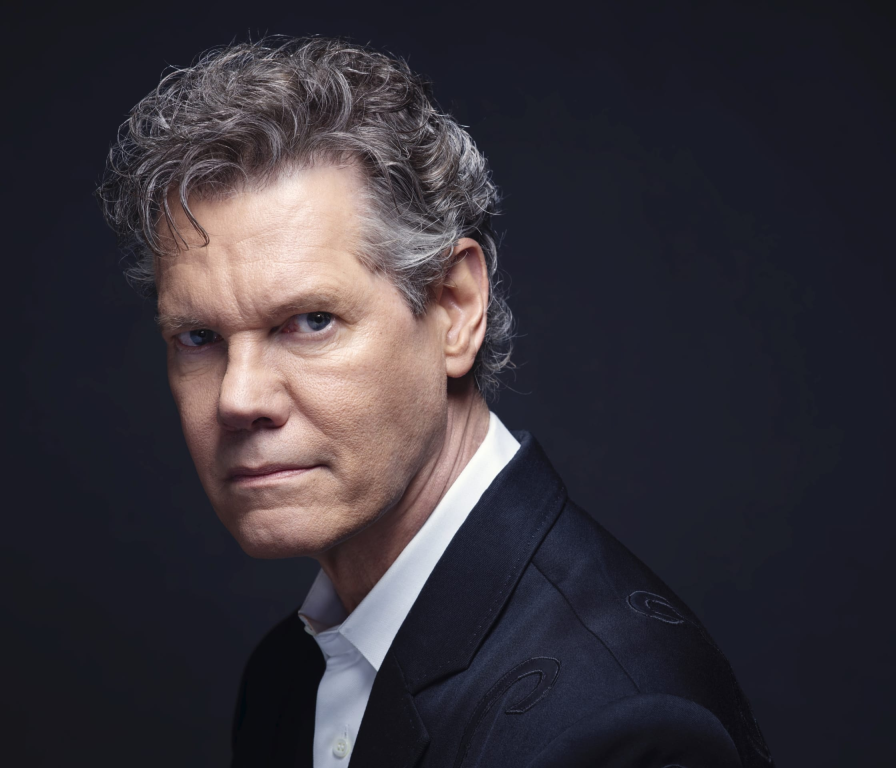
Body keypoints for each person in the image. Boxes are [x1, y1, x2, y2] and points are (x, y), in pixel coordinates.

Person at [96, 36, 772, 768]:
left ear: (455, 308)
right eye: (198, 337)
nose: (238, 398)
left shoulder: (619, 721)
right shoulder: (286, 677)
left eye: (311, 321)